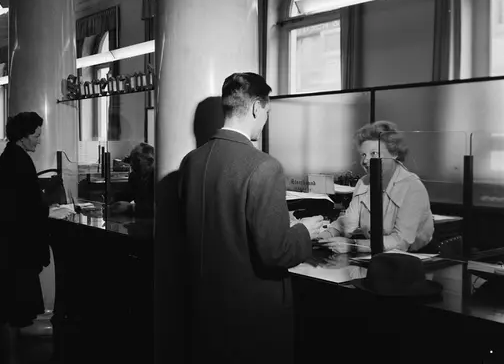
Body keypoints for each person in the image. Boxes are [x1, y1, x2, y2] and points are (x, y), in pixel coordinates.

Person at [179, 72, 323, 364]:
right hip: (252, 315)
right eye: (268, 112)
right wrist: (305, 231)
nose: (265, 119)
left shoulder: (191, 161)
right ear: (257, 107)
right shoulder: (264, 166)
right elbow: (276, 253)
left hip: (204, 308)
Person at [0, 112, 54, 362]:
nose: (38, 140)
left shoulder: (9, 157)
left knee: (10, 308)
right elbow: (28, 206)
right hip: (18, 248)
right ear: (23, 135)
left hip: (9, 245)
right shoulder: (20, 162)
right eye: (36, 135)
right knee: (13, 308)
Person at [317, 120, 434, 254]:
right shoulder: (364, 182)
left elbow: (400, 242)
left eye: (374, 153)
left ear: (394, 154)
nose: (366, 160)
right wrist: (328, 234)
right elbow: (349, 223)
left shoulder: (413, 187)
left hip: (415, 258)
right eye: (363, 155)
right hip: (377, 255)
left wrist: (353, 245)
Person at [110, 142, 155, 218]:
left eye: (136, 160)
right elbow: (127, 194)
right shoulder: (134, 176)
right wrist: (114, 199)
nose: (131, 164)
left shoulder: (158, 179)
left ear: (150, 161)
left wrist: (131, 208)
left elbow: (157, 208)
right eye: (130, 159)